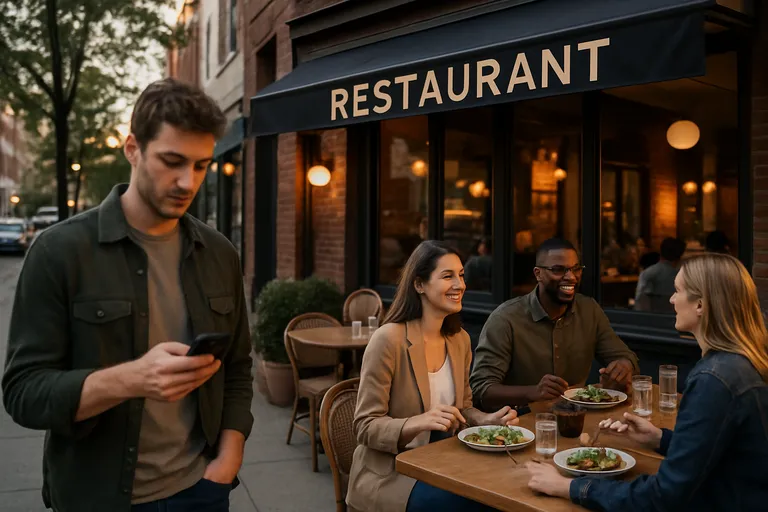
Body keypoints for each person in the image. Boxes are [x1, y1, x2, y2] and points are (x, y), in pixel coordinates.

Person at [2, 79, 254, 512]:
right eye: (171, 161)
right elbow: (24, 392)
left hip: (202, 489)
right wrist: (133, 379)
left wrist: (229, 454)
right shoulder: (60, 252)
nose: (186, 181)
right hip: (95, 496)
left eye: (200, 166)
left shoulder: (219, 254)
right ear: (132, 148)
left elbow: (237, 367)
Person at [527, 252, 768, 511]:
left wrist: (568, 486)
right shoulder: (745, 363)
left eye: (678, 291)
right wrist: (659, 439)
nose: (672, 299)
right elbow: (725, 452)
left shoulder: (714, 380)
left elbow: (663, 496)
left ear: (700, 305)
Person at [346, 240, 518, 512]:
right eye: (447, 276)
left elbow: (462, 408)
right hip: (394, 473)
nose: (460, 284)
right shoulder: (388, 340)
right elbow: (365, 426)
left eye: (461, 275)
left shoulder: (460, 340)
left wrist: (485, 419)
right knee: (470, 504)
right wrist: (416, 422)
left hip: (444, 463)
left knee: (507, 492)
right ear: (419, 285)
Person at [470, 238, 639, 411]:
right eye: (558, 270)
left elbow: (625, 356)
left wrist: (624, 366)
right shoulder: (506, 318)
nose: (571, 277)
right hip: (519, 424)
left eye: (575, 269)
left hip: (577, 417)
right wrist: (532, 392)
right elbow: (481, 388)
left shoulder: (589, 310)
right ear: (538, 274)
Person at [634, 237, 686, 313]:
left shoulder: (648, 273)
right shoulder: (682, 276)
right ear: (679, 256)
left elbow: (640, 302)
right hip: (675, 319)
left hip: (652, 319)